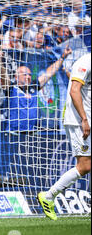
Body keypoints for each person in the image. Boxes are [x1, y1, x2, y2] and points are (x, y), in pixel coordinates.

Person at [38, 53, 91, 221]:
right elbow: (75, 90)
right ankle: (48, 196)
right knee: (84, 166)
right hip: (79, 121)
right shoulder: (85, 61)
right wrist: (84, 119)